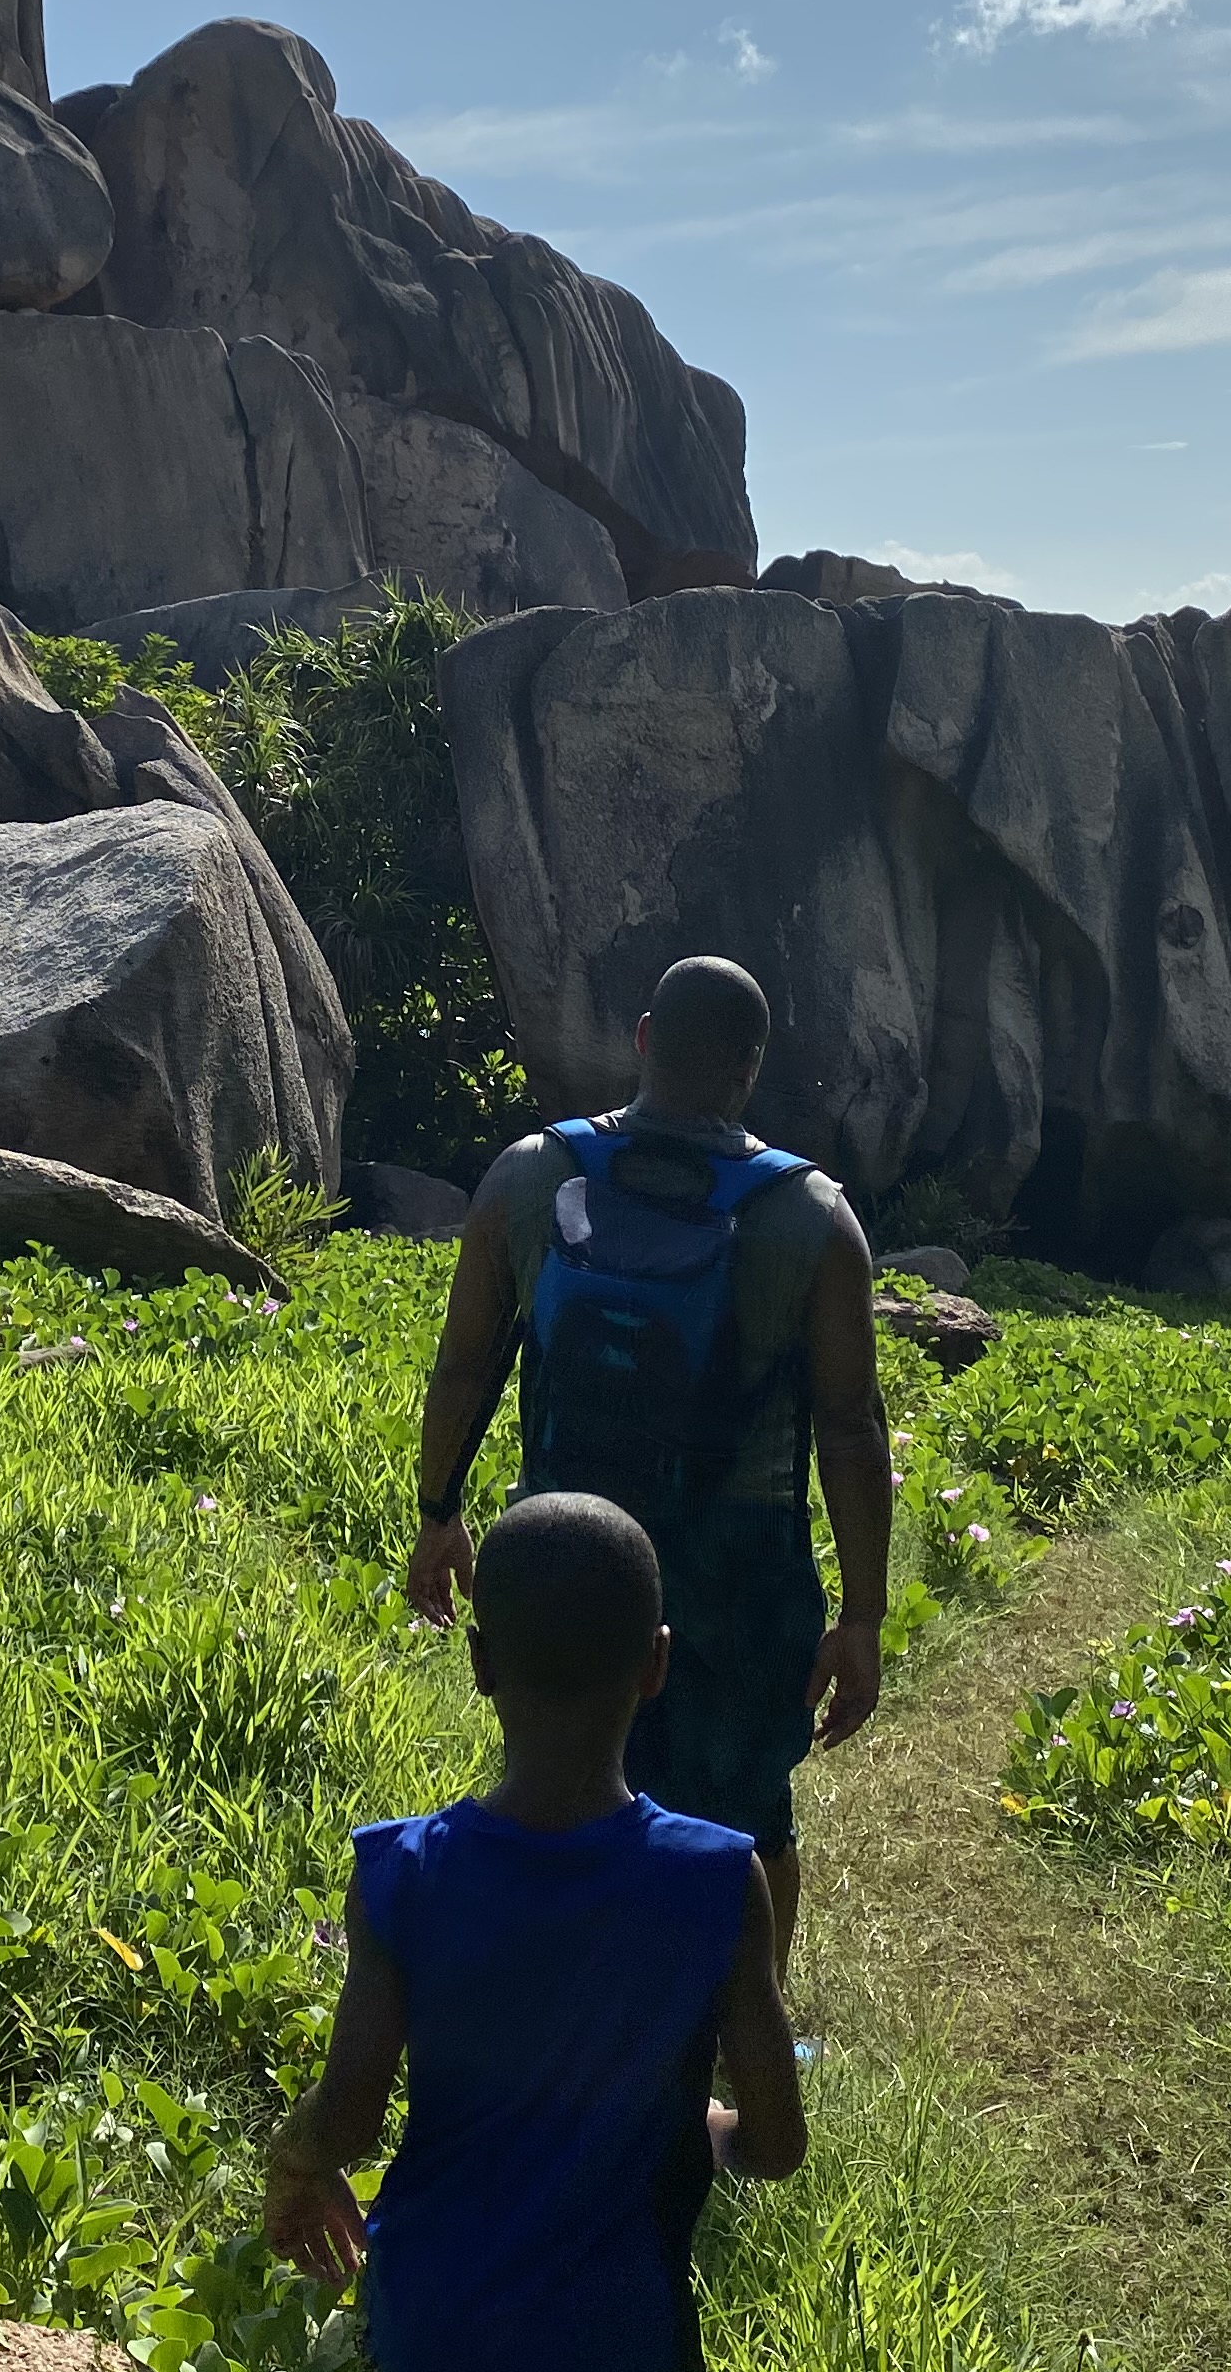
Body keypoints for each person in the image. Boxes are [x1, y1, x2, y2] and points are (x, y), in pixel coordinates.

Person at [403, 955, 890, 1976]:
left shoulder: (530, 1174)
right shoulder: (811, 1215)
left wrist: (439, 1513)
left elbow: (464, 1367)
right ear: (751, 1067)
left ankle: (570, 2006)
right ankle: (748, 2039)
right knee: (750, 1820)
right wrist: (861, 1618)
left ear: (641, 1039)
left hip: (561, 1554)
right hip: (737, 1577)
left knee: (560, 1792)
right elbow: (850, 1428)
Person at [262, 1493, 806, 2366]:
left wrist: (294, 2161)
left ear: (480, 1662)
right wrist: (710, 2129)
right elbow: (776, 2145)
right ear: (657, 1662)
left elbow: (348, 2118)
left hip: (434, 2327)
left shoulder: (406, 1873)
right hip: (623, 2336)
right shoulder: (717, 1880)